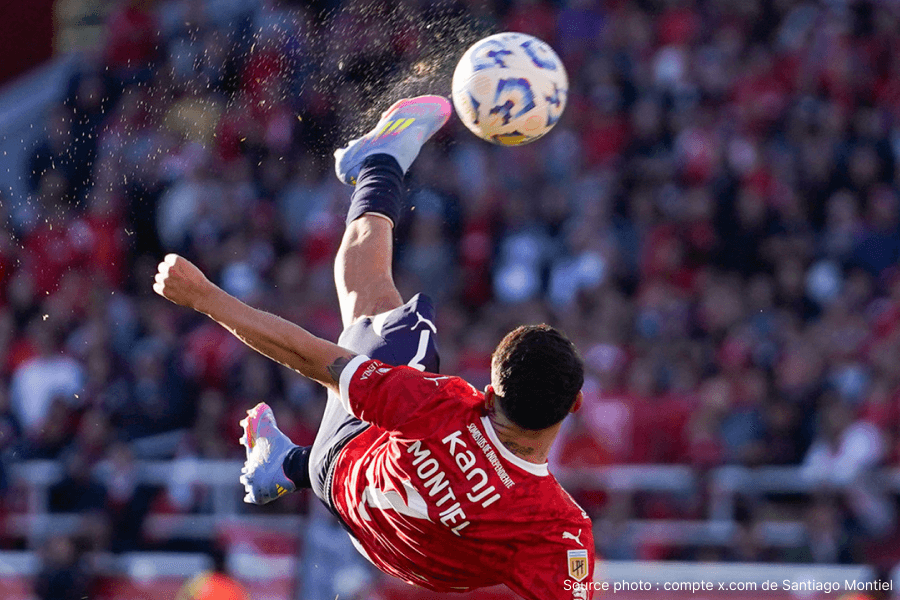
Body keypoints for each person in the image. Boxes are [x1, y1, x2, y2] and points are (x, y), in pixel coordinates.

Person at [153, 95, 595, 599]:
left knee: (400, 328)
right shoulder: (560, 530)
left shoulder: (441, 404)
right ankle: (287, 464)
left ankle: (380, 163)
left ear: (490, 388)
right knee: (379, 329)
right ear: (575, 405)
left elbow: (308, 355)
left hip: (341, 471)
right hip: (386, 551)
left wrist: (204, 297)